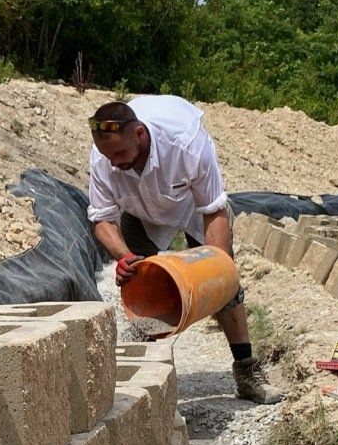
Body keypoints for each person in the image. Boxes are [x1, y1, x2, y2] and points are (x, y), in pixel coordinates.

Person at [87, 94, 280, 404]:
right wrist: (124, 257)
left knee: (225, 284)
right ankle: (150, 380)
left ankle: (247, 371)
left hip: (192, 205)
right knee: (143, 285)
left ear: (139, 134)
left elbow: (213, 208)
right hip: (140, 211)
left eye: (119, 153)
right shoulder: (105, 157)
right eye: (107, 156)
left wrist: (218, 270)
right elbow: (102, 219)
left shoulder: (186, 143)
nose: (114, 163)